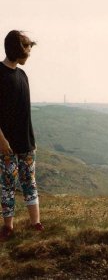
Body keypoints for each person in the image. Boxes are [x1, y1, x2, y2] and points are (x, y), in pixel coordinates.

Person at [0, 30, 44, 240]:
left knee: (29, 182)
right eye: (27, 48)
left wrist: (31, 141)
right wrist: (1, 140)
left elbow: (23, 112)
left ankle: (36, 224)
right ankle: (8, 227)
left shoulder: (22, 74)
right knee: (8, 186)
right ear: (17, 49)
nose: (29, 52)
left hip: (26, 143)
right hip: (5, 146)